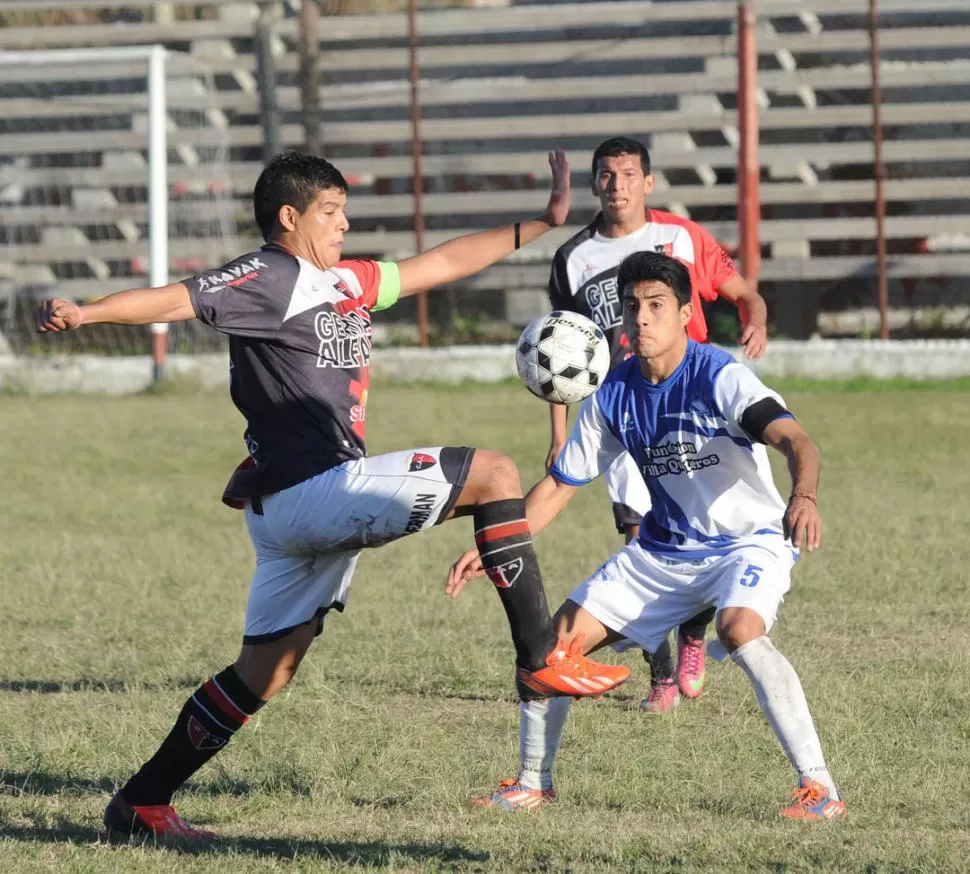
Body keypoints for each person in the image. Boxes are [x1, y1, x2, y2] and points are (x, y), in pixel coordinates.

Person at [36, 149, 631, 840]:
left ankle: (139, 803)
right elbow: (178, 296)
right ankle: (541, 658)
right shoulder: (270, 273)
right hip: (313, 492)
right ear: (289, 217)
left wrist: (544, 221)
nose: (344, 222)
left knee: (266, 672)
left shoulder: (346, 281)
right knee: (495, 472)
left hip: (290, 510)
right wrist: (88, 312)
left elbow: (443, 262)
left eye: (344, 209)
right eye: (330, 210)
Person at [447, 251, 846, 820]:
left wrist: (803, 497)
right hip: (662, 553)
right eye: (633, 306)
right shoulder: (612, 392)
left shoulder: (719, 375)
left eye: (657, 305)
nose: (642, 318)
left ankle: (819, 789)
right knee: (548, 647)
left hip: (747, 542)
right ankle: (533, 783)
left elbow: (796, 442)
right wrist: (495, 545)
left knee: (739, 630)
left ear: (686, 313)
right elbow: (561, 486)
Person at [545, 136, 770, 713]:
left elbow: (743, 290)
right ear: (595, 183)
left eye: (627, 174)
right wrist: (557, 436)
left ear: (647, 182)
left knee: (687, 539)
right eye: (606, 174)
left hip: (691, 416)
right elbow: (560, 357)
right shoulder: (573, 257)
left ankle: (692, 629)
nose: (616, 185)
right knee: (638, 542)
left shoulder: (681, 238)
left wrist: (756, 320)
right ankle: (662, 675)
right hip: (621, 415)